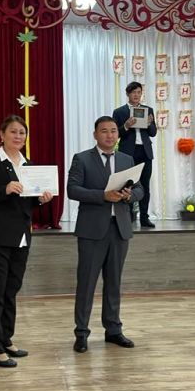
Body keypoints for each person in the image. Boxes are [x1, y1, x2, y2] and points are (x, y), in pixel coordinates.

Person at [0, 115, 53, 367]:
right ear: (2, 134)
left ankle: (5, 339)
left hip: (20, 239)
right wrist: (4, 189)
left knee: (10, 292)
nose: (18, 136)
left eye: (22, 132)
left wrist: (40, 200)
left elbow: (26, 203)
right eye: (13, 132)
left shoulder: (29, 165)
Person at [67, 116, 144, 353]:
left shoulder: (126, 159)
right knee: (87, 283)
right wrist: (102, 195)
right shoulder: (82, 159)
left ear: (118, 135)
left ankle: (113, 330)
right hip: (92, 230)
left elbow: (140, 189)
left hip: (119, 228)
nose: (109, 135)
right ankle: (81, 333)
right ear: (95, 135)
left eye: (113, 131)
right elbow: (72, 190)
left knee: (114, 282)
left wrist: (130, 196)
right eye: (104, 131)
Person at [112, 81, 157, 228]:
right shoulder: (119, 112)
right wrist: (126, 126)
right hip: (128, 153)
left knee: (145, 185)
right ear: (128, 94)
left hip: (145, 152)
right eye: (133, 92)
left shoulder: (148, 110)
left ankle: (144, 217)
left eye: (139, 92)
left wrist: (149, 124)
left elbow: (153, 133)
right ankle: (129, 216)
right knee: (127, 186)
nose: (136, 95)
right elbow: (116, 134)